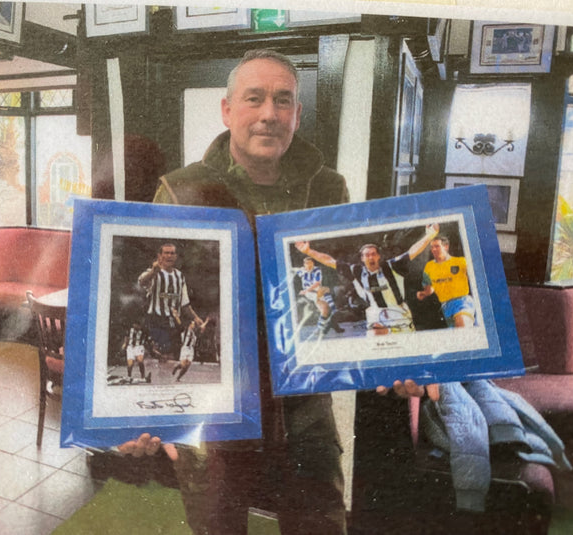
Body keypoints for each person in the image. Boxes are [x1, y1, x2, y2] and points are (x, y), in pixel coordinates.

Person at [119, 49, 435, 534]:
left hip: (307, 416)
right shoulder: (180, 191)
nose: (269, 113)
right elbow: (151, 300)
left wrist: (397, 361)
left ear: (297, 113)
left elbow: (351, 288)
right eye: (254, 99)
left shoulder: (331, 187)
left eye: (283, 100)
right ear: (227, 110)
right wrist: (133, 412)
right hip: (214, 422)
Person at [294, 223, 439, 334]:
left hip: (399, 311)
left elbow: (412, 251)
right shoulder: (356, 271)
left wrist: (429, 236)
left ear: (378, 256)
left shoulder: (392, 266)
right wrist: (308, 251)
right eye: (367, 255)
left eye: (373, 254)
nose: (370, 257)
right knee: (377, 340)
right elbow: (330, 261)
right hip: (375, 311)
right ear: (362, 258)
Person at [138, 243, 203, 363]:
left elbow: (185, 304)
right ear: (160, 256)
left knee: (171, 358)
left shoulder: (180, 276)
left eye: (172, 253)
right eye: (166, 253)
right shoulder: (154, 273)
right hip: (156, 320)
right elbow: (142, 281)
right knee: (159, 355)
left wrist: (196, 318)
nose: (169, 256)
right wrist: (153, 271)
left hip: (174, 323)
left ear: (176, 256)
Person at [417, 235, 476, 328]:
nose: (434, 249)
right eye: (432, 247)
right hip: (446, 307)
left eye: (437, 246)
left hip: (462, 302)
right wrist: (424, 293)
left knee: (462, 326)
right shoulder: (429, 267)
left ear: (446, 246)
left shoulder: (461, 262)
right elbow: (429, 287)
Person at [296, 256, 344, 335]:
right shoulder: (301, 271)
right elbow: (293, 271)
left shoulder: (317, 270)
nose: (309, 265)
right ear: (304, 264)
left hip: (318, 291)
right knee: (326, 290)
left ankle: (322, 328)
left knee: (325, 309)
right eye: (307, 263)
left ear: (313, 263)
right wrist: (305, 291)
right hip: (310, 293)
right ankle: (335, 311)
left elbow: (317, 282)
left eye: (310, 263)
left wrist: (305, 290)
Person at [172, 318, 206, 382]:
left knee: (187, 367)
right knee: (183, 365)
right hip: (185, 348)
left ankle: (178, 378)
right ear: (189, 325)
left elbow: (201, 328)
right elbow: (180, 323)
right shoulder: (186, 330)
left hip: (191, 350)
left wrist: (206, 322)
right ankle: (176, 367)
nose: (194, 325)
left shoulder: (194, 332)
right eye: (193, 324)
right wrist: (176, 316)